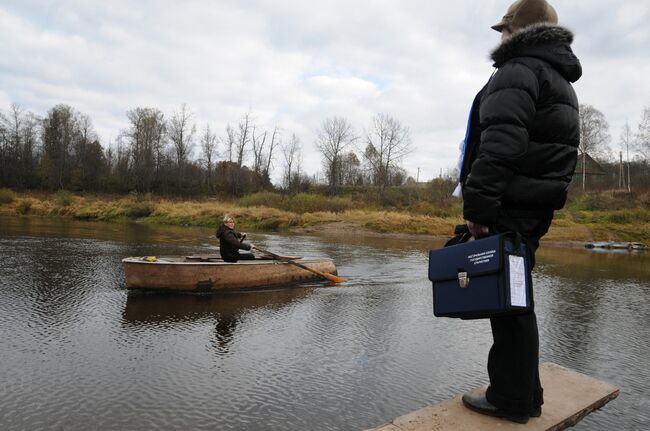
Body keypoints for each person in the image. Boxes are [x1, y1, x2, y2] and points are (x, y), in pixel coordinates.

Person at [458, 0, 582, 424]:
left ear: (521, 32)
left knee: (508, 306)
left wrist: (478, 209)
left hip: (507, 207)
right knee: (515, 299)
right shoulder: (560, 79)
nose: (501, 38)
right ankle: (525, 395)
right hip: (532, 207)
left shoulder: (519, 70)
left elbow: (499, 147)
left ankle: (509, 399)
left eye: (505, 31)